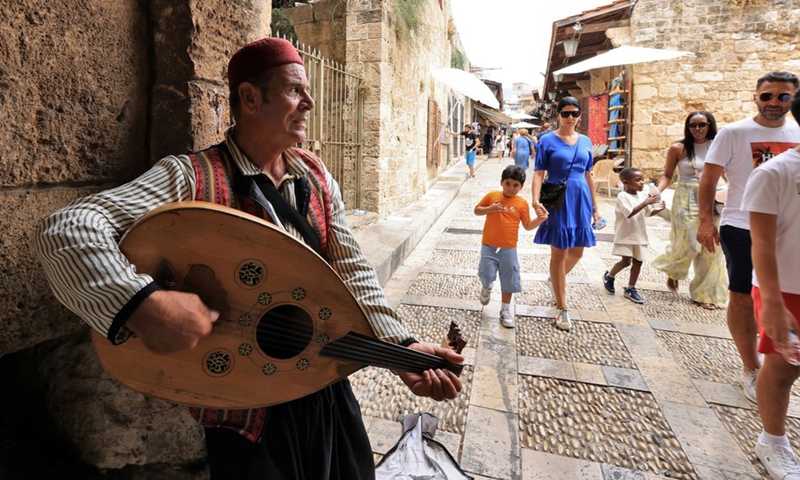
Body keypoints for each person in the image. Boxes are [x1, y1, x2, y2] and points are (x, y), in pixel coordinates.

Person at [34, 37, 463, 480]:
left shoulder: (314, 176)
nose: (310, 103)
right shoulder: (189, 176)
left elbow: (352, 272)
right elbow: (67, 228)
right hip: (244, 418)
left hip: (322, 386)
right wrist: (143, 304)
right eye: (296, 90)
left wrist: (401, 350)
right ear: (250, 97)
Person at [697, 71, 800, 403]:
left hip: (788, 231)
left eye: (783, 96)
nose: (774, 102)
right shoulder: (734, 132)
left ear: (793, 100)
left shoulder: (797, 131)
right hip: (741, 225)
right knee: (742, 295)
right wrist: (706, 221)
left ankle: (780, 360)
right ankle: (750, 366)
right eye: (767, 95)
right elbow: (709, 179)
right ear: (755, 97)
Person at [742, 87, 800, 480]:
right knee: (783, 368)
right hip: (786, 287)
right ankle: (772, 441)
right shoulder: (774, 172)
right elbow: (760, 241)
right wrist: (775, 303)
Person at [531, 96, 602, 332]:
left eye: (574, 113)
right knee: (559, 253)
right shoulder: (547, 141)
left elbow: (589, 174)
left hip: (580, 197)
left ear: (580, 115)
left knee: (578, 251)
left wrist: (595, 207)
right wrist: (534, 200)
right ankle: (562, 307)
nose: (570, 117)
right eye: (565, 113)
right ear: (558, 115)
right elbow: (539, 172)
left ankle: (556, 278)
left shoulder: (585, 141)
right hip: (558, 199)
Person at [651, 111, 728, 310]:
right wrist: (657, 192)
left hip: (713, 197)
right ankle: (674, 270)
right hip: (686, 196)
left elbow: (728, 175)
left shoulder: (718, 146)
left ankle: (705, 294)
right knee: (688, 243)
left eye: (702, 125)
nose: (698, 129)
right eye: (693, 125)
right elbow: (667, 175)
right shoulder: (678, 148)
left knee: (710, 248)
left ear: (710, 125)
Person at [475, 165, 548, 328]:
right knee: (486, 273)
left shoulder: (521, 203)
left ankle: (505, 309)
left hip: (509, 248)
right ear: (502, 182)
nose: (511, 188)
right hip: (489, 245)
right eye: (508, 183)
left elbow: (528, 225)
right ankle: (486, 287)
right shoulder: (492, 196)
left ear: (521, 187)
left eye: (516, 185)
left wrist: (541, 219)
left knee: (509, 278)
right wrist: (490, 209)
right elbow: (477, 210)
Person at [603, 168, 665, 304]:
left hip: (640, 235)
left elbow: (647, 213)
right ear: (626, 182)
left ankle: (630, 288)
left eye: (642, 179)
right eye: (637, 180)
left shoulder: (643, 196)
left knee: (638, 261)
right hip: (625, 234)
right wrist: (646, 203)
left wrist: (659, 209)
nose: (642, 183)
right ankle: (610, 276)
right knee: (626, 261)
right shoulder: (622, 197)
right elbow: (629, 213)